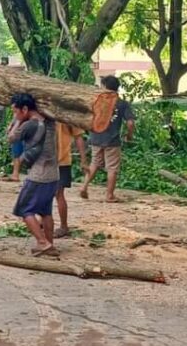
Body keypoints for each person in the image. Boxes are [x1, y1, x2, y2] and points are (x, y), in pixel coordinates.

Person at [11, 93, 60, 256]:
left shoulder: (30, 125)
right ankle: (49, 245)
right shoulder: (50, 121)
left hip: (39, 174)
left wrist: (17, 121)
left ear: (25, 109)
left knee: (24, 209)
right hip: (54, 173)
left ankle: (42, 242)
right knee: (46, 212)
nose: (14, 114)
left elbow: (11, 138)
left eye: (15, 111)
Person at [80, 75, 136, 203]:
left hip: (96, 137)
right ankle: (109, 195)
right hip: (112, 140)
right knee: (112, 167)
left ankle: (84, 186)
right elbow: (130, 123)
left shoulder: (97, 101)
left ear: (105, 87)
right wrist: (129, 135)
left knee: (94, 163)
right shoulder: (122, 104)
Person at [54, 122, 88, 238]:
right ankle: (44, 220)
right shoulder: (45, 110)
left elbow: (78, 137)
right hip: (48, 160)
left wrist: (83, 160)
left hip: (60, 160)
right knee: (51, 193)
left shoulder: (66, 115)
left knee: (58, 193)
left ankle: (64, 226)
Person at [0, 99, 24, 181]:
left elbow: (19, 120)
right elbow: (15, 117)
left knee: (18, 154)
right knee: (16, 153)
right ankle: (15, 174)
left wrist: (12, 131)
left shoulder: (23, 109)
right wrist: (10, 126)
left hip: (21, 132)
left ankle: (16, 174)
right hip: (18, 133)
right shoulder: (17, 109)